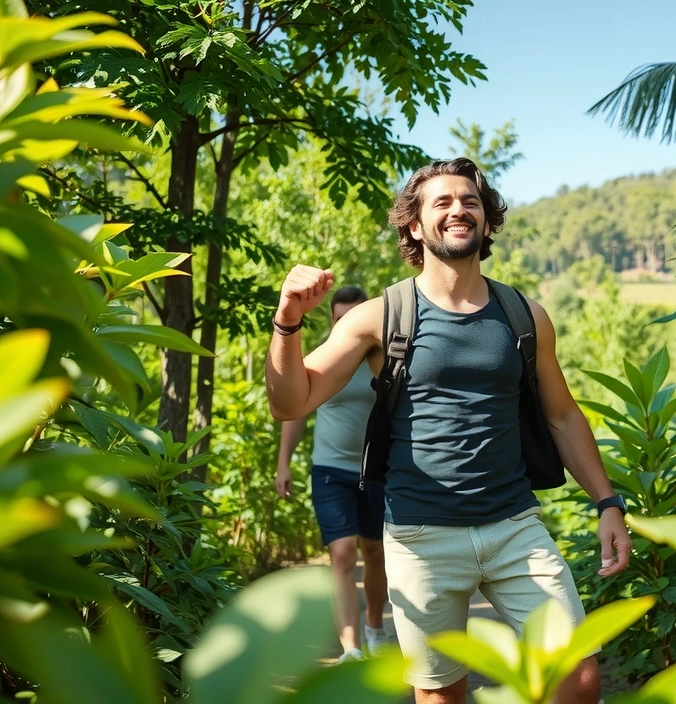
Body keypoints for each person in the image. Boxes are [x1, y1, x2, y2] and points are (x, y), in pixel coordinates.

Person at [265, 158, 631, 704]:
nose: (459, 209)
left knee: (578, 678)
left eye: (471, 201)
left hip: (515, 527)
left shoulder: (525, 314)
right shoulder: (377, 316)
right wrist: (287, 320)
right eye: (442, 202)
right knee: (441, 697)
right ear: (414, 225)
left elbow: (562, 415)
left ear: (487, 220)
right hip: (421, 538)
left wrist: (608, 503)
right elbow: (289, 400)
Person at [273, 286, 390, 663]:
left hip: (375, 471)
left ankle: (374, 627)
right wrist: (283, 462)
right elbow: (295, 411)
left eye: (355, 317)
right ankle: (351, 647)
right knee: (341, 553)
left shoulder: (383, 359)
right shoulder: (323, 358)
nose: (347, 324)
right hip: (329, 469)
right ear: (332, 320)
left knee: (373, 551)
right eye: (340, 319)